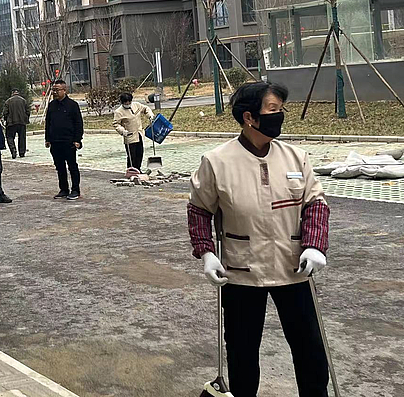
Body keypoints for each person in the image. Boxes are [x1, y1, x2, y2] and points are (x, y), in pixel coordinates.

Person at [187, 82, 330, 397]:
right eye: (273, 110)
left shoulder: (296, 158)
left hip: (293, 268)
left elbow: (315, 204)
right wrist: (206, 252)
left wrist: (315, 245)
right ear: (249, 117)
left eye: (280, 109)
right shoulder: (217, 161)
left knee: (310, 350)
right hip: (242, 272)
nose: (280, 116)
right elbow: (199, 210)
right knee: (242, 353)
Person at [44, 79, 84, 200]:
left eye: (57, 90)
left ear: (64, 90)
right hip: (55, 141)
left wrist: (77, 140)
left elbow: (78, 123)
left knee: (72, 166)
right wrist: (47, 138)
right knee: (60, 167)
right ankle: (64, 189)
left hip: (69, 141)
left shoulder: (72, 105)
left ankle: (75, 190)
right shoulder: (52, 105)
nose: (55, 92)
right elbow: (48, 123)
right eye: (53, 90)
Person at [112, 92, 154, 171]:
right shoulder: (119, 112)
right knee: (132, 156)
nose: (128, 104)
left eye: (129, 102)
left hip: (139, 134)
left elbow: (146, 109)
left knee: (140, 153)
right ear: (122, 102)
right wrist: (122, 131)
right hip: (129, 136)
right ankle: (131, 170)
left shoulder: (136, 105)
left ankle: (138, 169)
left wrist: (150, 115)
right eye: (126, 102)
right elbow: (116, 124)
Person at [1, 88, 30, 159]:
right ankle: (22, 152)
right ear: (18, 93)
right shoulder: (23, 101)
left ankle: (13, 150)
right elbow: (28, 111)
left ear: (12, 93)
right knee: (22, 138)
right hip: (22, 122)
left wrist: (6, 120)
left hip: (11, 123)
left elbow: (5, 112)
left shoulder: (8, 101)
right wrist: (26, 119)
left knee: (9, 137)